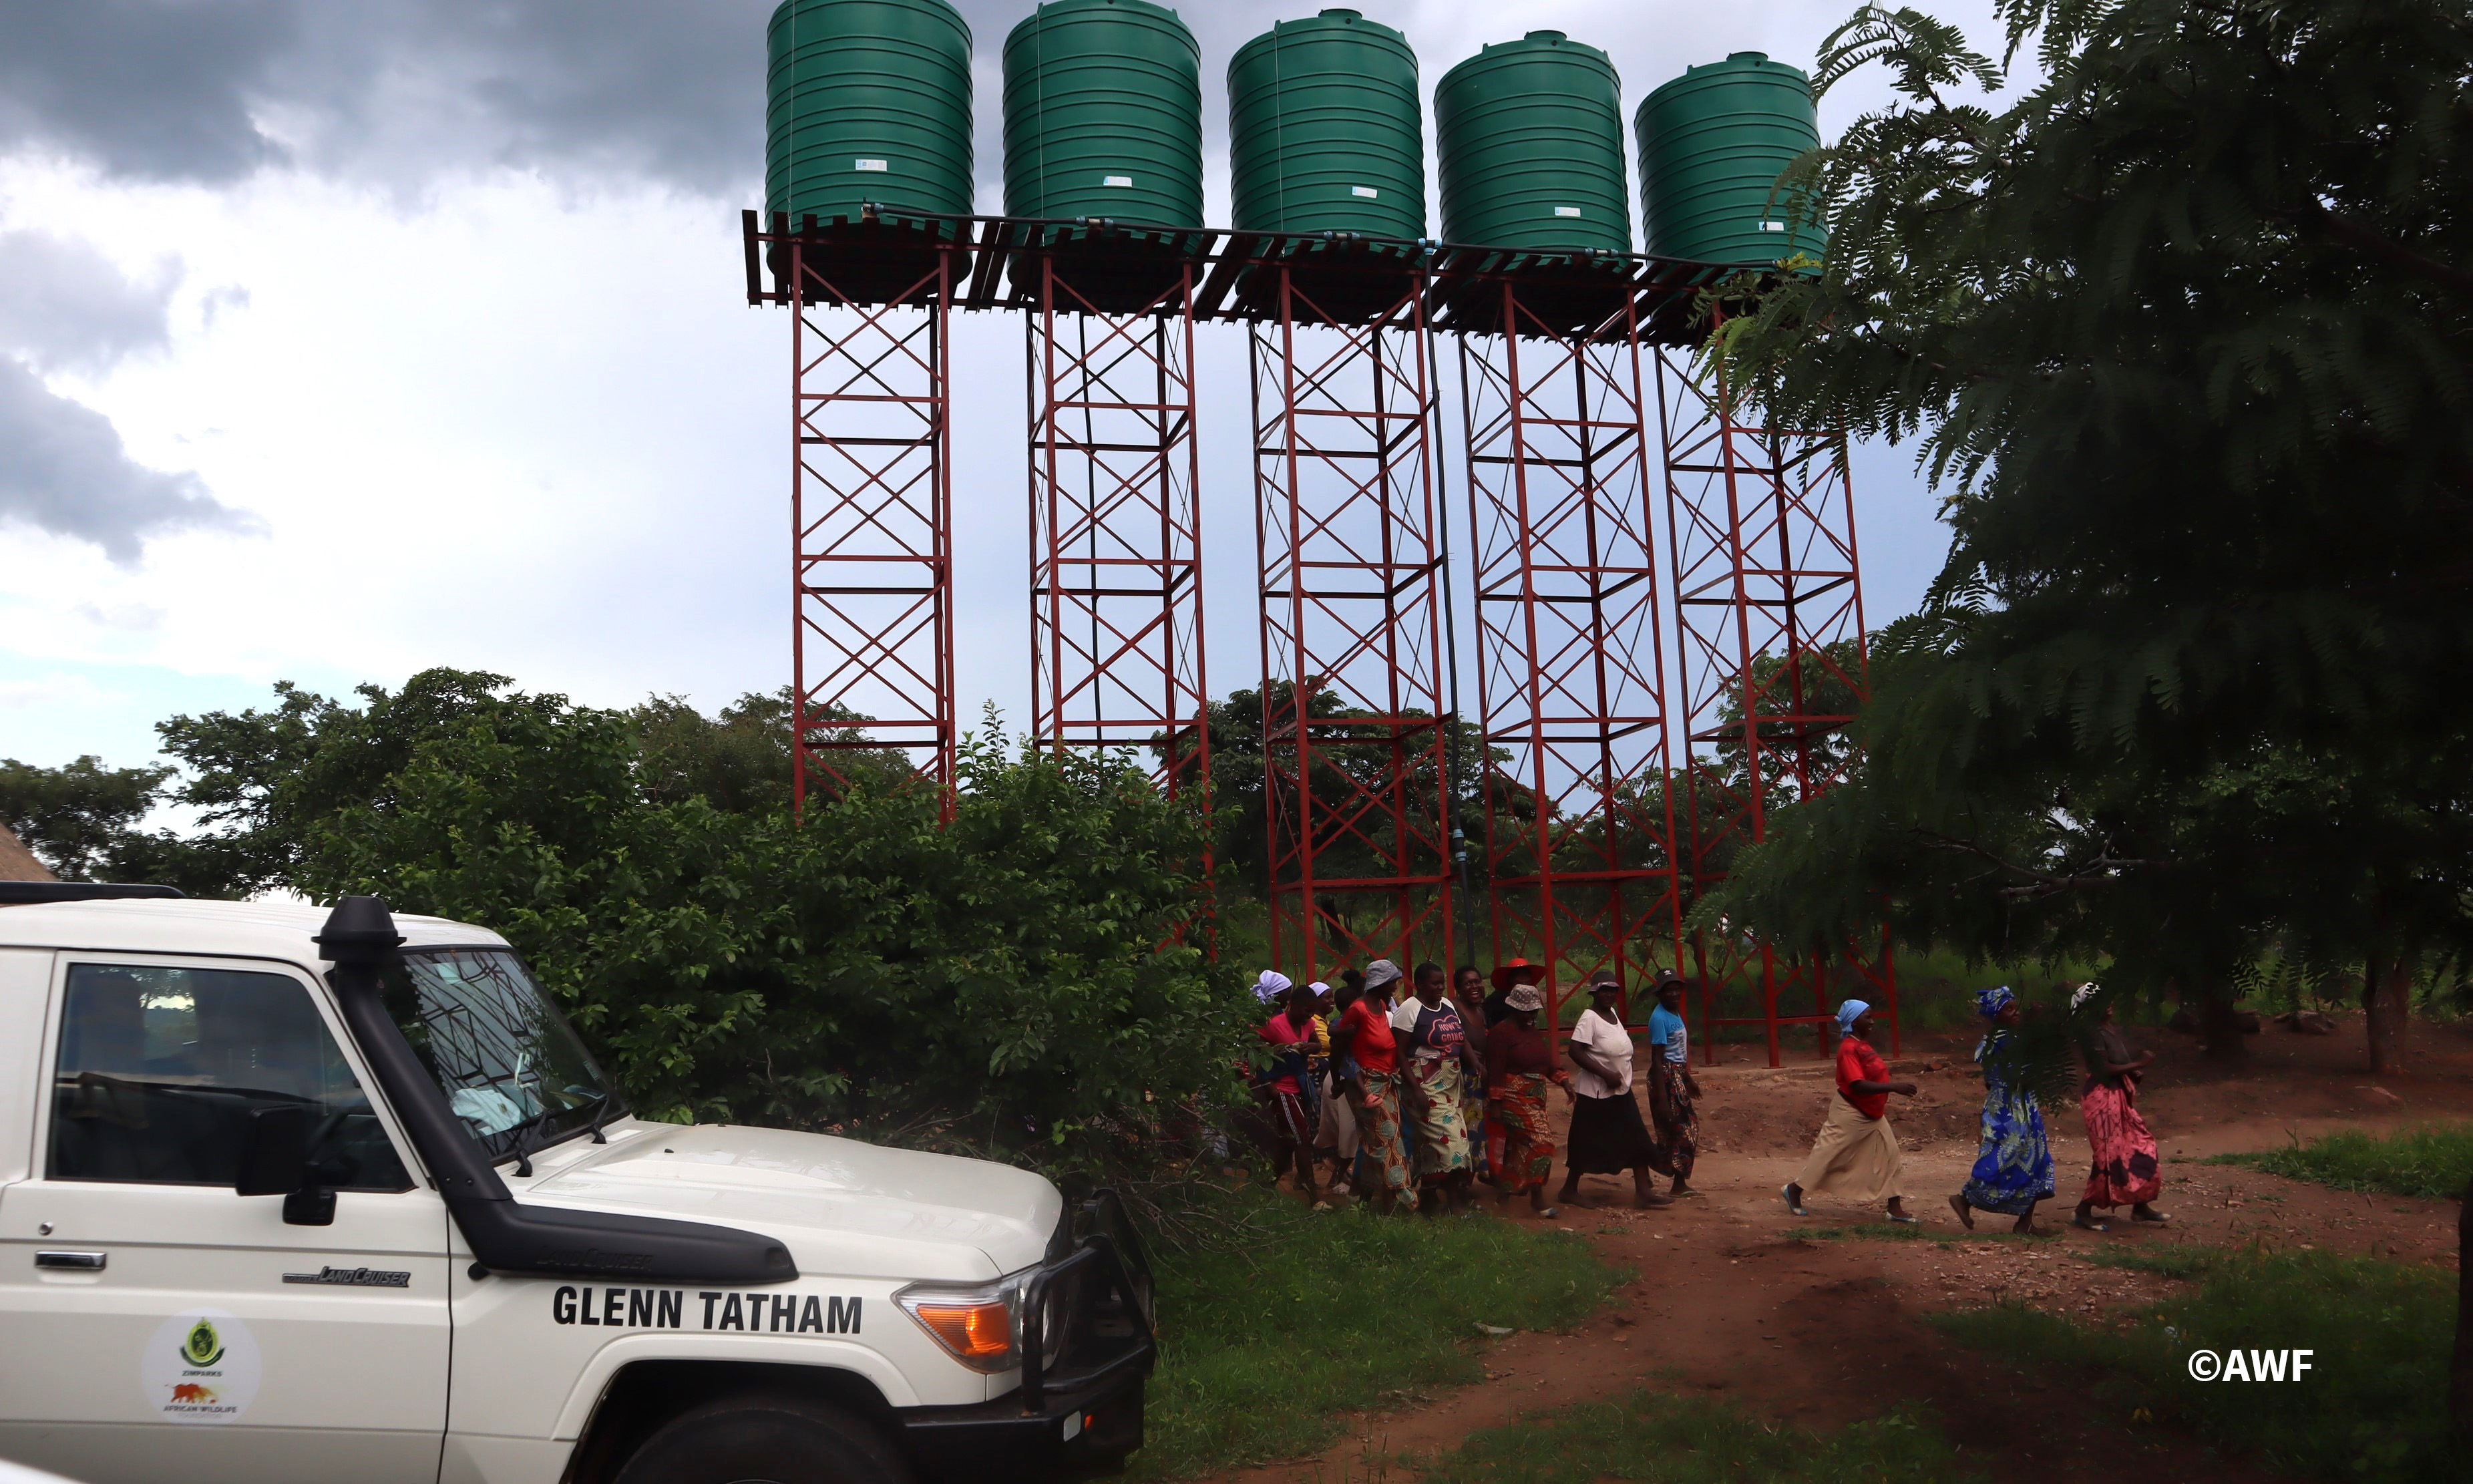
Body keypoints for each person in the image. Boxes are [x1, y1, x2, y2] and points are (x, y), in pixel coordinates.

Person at [1783, 1000, 1918, 1222]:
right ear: (1854, 1022)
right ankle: (1794, 1190)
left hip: (1872, 1113)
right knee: (1828, 1155)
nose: (1872, 1022)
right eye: (1868, 1017)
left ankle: (1895, 1209)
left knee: (1891, 1154)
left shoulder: (1862, 1045)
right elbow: (1857, 1085)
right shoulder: (1848, 1049)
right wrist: (1894, 1087)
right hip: (1851, 1111)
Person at [1559, 974, 1671, 1209]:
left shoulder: (1613, 1016)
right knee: (1585, 1141)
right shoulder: (1589, 1018)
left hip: (1620, 1090)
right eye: (1604, 990)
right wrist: (1605, 1074)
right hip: (1596, 1093)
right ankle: (1569, 1189)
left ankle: (1643, 1192)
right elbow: (1575, 1052)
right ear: (1594, 993)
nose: (1609, 994)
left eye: (1613, 990)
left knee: (1637, 1136)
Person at [1949, 985, 2054, 1233]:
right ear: (1996, 1015)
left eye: (2016, 1007)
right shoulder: (2002, 1042)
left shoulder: (2003, 1040)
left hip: (2020, 1104)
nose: (2016, 1013)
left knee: (2035, 1158)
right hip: (2009, 1108)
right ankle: (1965, 1199)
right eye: (2008, 1009)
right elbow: (2017, 1077)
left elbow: (1989, 1079)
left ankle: (2025, 1223)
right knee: (2004, 1155)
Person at [2072, 983, 2167, 1232]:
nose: (2110, 1004)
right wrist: (2141, 1063)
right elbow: (2103, 1068)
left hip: (2118, 1094)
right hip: (2102, 1096)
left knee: (2141, 1144)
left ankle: (2141, 1204)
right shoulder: (2091, 1031)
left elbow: (2116, 1062)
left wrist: (2132, 1072)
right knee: (2108, 1155)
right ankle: (2084, 1210)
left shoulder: (2106, 1028)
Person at [1393, 962, 1484, 1213]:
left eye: (1442, 982)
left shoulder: (1447, 1006)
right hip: (1424, 1085)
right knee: (1454, 1144)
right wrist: (1416, 1089)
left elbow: (1461, 1038)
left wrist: (1475, 1062)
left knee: (1431, 1147)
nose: (1440, 987)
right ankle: (1455, 1202)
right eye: (1434, 983)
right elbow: (1400, 1053)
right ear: (1420, 984)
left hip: (1451, 1086)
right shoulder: (1409, 1010)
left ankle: (1428, 1198)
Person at [1485, 981, 1572, 1215]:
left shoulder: (1531, 1031)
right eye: (1528, 1011)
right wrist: (1495, 1105)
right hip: (1513, 1097)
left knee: (1518, 1148)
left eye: (1535, 1010)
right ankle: (1537, 1198)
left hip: (1535, 1099)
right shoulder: (1500, 1034)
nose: (1533, 1015)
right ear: (1514, 1009)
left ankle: (1503, 1197)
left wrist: (1563, 1081)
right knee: (1542, 1142)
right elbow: (1495, 1071)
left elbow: (1544, 1063)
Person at [1330, 958, 1410, 1212]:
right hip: (1366, 1084)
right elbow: (1341, 1050)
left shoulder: (1382, 1004)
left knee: (1386, 1141)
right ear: (1380, 984)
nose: (1396, 987)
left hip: (1387, 1081)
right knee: (1385, 1143)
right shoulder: (1358, 1010)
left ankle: (1369, 1199)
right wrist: (1336, 1082)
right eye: (1392, 982)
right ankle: (1405, 1198)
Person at [1254, 982, 1324, 1206]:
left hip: (1301, 1087)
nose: (1310, 1015)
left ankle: (1266, 1186)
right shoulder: (1274, 1025)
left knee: (1288, 1141)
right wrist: (1268, 1086)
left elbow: (1317, 1043)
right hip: (1282, 1090)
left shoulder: (1309, 1023)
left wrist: (1309, 1048)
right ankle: (1313, 1196)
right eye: (1306, 1010)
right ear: (1292, 1005)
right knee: (1302, 1138)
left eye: (1312, 1011)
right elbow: (1256, 1051)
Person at [1642, 970, 1702, 1197]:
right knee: (1683, 1128)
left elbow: (1679, 1054)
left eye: (1677, 988)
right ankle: (1657, 1171)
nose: (1675, 993)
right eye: (1669, 989)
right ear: (1661, 993)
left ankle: (1658, 1172)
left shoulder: (1674, 1013)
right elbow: (1658, 1060)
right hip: (1666, 1076)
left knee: (1679, 1130)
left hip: (1676, 1075)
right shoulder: (1659, 1018)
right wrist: (1662, 1098)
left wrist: (1688, 1080)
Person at [1314, 978, 1360, 1196]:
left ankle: (1342, 1175)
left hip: (1338, 1080)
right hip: (1345, 1081)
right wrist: (1338, 1082)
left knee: (1347, 1132)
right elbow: (1337, 1057)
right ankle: (1337, 1179)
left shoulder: (1337, 1024)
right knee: (1351, 1133)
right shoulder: (1346, 1026)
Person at [1452, 966, 1495, 1181]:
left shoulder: (1480, 1010)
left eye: (1477, 981)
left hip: (1477, 1076)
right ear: (1458, 988)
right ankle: (1462, 1180)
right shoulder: (1454, 1008)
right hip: (1461, 1077)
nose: (1475, 986)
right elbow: (1458, 1038)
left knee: (1476, 1127)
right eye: (1468, 983)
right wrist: (1473, 1059)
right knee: (1464, 1128)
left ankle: (1472, 1175)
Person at [1484, 958, 1544, 1028]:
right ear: (1510, 979)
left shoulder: (1532, 997)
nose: (1524, 979)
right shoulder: (1495, 1000)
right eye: (1519, 975)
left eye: (1526, 975)